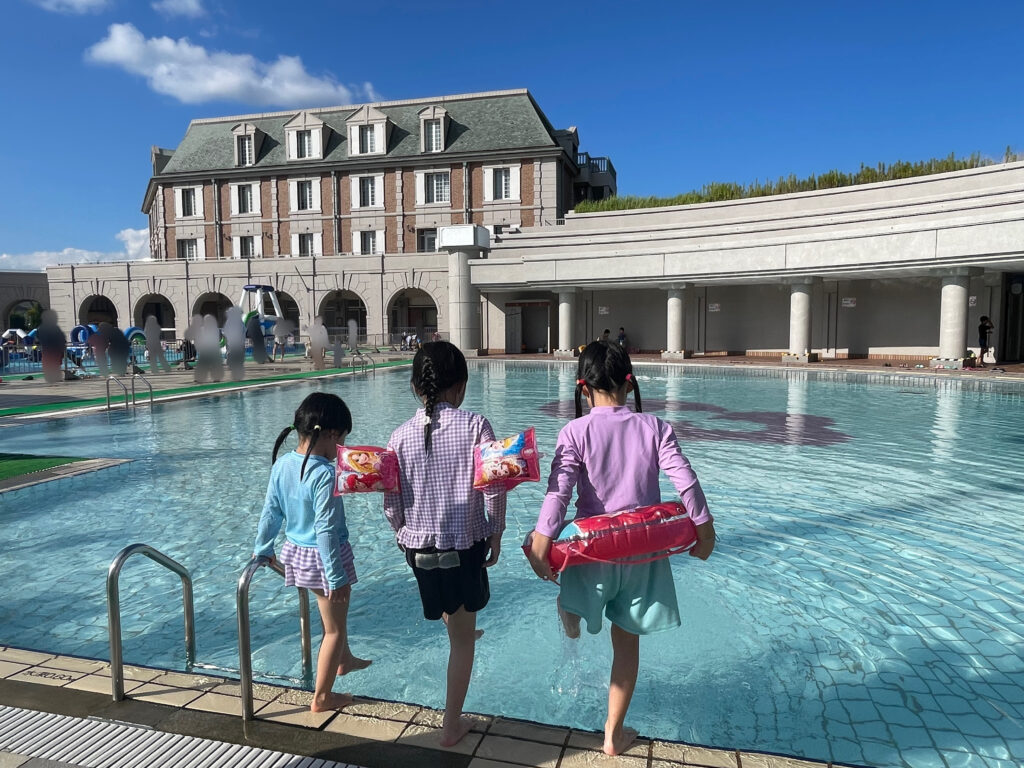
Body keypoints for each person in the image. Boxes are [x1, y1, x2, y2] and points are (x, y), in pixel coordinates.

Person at [526, 340, 716, 756]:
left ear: (582, 387)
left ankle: (571, 617)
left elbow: (558, 494)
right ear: (630, 384)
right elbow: (685, 480)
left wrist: (542, 541)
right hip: (642, 556)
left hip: (590, 553)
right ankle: (613, 734)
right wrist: (704, 530)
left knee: (571, 608)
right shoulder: (655, 428)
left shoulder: (574, 432)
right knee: (626, 644)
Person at [383, 341, 506, 747]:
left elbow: (392, 505)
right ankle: (450, 726)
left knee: (449, 607)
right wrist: (496, 531)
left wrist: (404, 535)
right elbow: (494, 489)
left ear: (417, 386)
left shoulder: (398, 437)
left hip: (417, 551)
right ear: (462, 385)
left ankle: (460, 622)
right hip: (462, 549)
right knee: (462, 645)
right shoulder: (476, 426)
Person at [253, 392, 371, 712]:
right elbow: (326, 530)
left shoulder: (282, 465)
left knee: (334, 618)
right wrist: (336, 575)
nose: (342, 449)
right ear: (331, 434)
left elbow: (271, 512)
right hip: (324, 560)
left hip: (297, 554)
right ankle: (322, 696)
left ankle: (344, 660)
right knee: (333, 628)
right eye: (342, 440)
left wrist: (262, 549)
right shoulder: (324, 474)